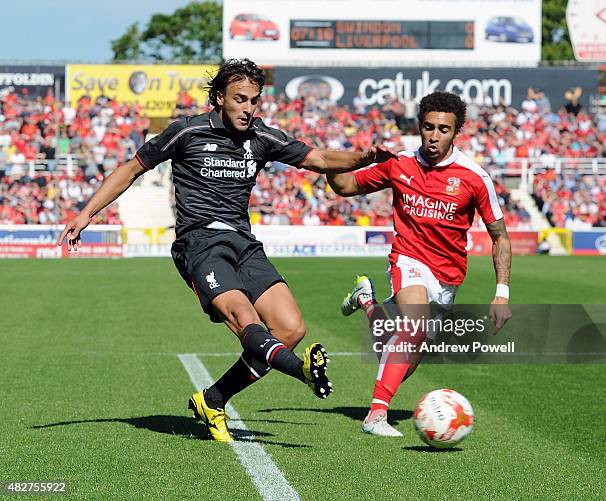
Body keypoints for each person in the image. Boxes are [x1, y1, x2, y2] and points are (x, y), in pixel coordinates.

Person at [56, 59, 398, 443]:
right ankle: (301, 371)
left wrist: (365, 158)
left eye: (254, 100)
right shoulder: (187, 131)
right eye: (240, 99)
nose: (249, 108)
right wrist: (86, 212)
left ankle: (213, 399)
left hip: (244, 245)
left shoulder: (262, 137)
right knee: (245, 318)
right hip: (199, 245)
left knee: (290, 327)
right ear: (220, 98)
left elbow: (319, 159)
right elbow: (131, 169)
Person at [326, 91, 512, 437]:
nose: (434, 136)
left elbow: (500, 236)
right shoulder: (399, 165)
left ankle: (366, 302)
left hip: (448, 276)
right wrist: (349, 161)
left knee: (399, 357)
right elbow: (344, 186)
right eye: (428, 127)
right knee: (412, 327)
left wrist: (501, 293)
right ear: (419, 127)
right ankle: (376, 416)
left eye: (444, 129)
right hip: (408, 259)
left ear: (457, 133)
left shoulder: (474, 177)